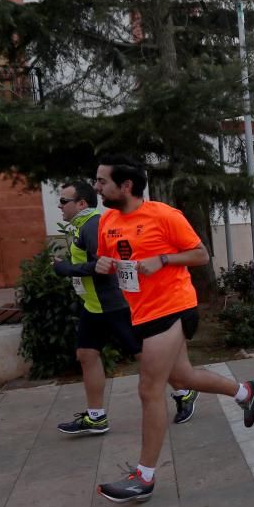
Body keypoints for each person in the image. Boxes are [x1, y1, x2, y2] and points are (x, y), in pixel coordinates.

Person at [92, 154, 254, 502]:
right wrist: (103, 264)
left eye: (102, 182)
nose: (97, 187)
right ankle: (245, 391)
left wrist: (164, 259)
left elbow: (201, 255)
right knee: (182, 378)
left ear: (125, 186)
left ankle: (144, 477)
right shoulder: (108, 220)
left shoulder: (164, 215)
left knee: (148, 389)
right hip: (140, 312)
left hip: (174, 308)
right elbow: (111, 263)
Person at [51, 181, 199, 435]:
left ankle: (184, 391)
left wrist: (65, 268)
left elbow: (106, 266)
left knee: (148, 360)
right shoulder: (79, 226)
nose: (59, 206)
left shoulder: (94, 225)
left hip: (114, 305)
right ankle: (96, 417)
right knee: (86, 355)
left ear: (82, 204)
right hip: (93, 306)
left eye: (64, 201)